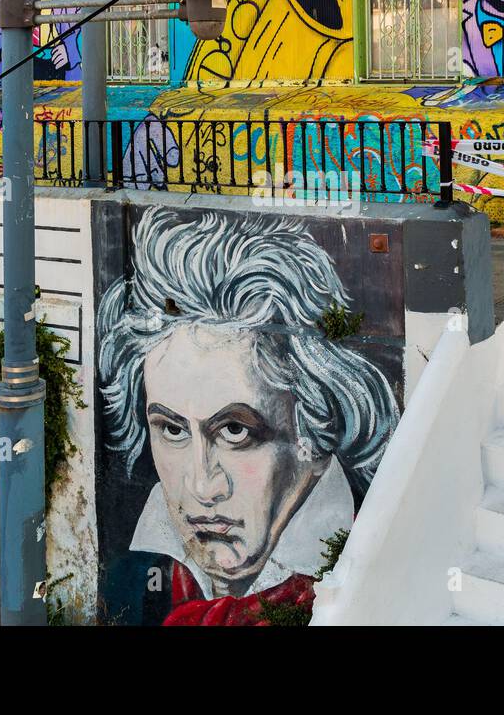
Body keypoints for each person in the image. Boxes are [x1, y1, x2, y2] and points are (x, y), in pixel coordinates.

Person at [96, 207, 399, 625]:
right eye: (172, 429)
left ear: (313, 431)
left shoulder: (375, 561)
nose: (203, 486)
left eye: (235, 431)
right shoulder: (131, 572)